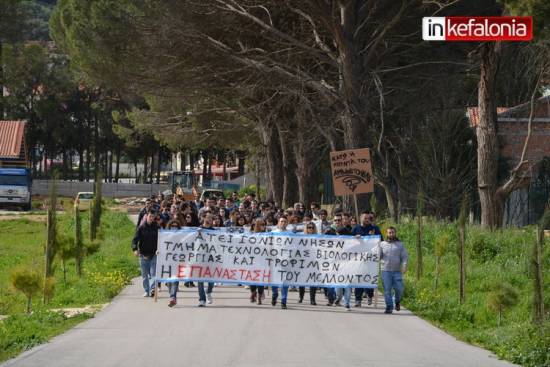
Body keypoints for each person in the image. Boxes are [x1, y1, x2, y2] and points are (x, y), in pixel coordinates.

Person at [352, 212, 382, 306]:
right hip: (359, 259)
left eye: (369, 218)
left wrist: (374, 239)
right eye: (365, 218)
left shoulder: (374, 228)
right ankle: (358, 299)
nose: (367, 220)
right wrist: (354, 238)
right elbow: (348, 241)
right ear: (361, 218)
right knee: (359, 279)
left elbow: (382, 241)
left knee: (369, 279)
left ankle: (369, 295)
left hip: (371, 258)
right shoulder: (356, 228)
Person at [131, 209, 160, 297]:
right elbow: (134, 240)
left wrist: (160, 249)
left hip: (154, 254)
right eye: (150, 216)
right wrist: (135, 249)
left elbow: (162, 239)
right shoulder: (141, 228)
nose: (151, 218)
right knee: (144, 275)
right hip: (143, 255)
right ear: (147, 216)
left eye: (153, 217)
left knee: (153, 274)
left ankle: (152, 290)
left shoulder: (157, 228)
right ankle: (146, 290)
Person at [379, 227, 408, 314]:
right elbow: (379, 256)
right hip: (385, 271)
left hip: (397, 271)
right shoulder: (382, 244)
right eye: (389, 233)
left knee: (399, 289)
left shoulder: (400, 244)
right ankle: (389, 307)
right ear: (386, 234)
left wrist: (404, 265)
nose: (391, 234)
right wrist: (377, 250)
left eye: (392, 232)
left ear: (395, 233)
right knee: (387, 290)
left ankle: (397, 301)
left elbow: (404, 256)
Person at [197, 214, 216, 307]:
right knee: (200, 280)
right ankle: (202, 299)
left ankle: (208, 292)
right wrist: (198, 233)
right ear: (203, 218)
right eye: (207, 217)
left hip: (211, 258)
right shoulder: (199, 229)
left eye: (210, 218)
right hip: (200, 258)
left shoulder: (214, 231)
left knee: (211, 280)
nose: (209, 219)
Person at [271, 216, 290, 308]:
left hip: (286, 261)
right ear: (278, 223)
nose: (283, 223)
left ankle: (284, 301)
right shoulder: (272, 233)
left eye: (284, 221)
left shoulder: (290, 234)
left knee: (284, 282)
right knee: (274, 281)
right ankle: (275, 294)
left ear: (287, 223)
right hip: (274, 261)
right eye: (281, 221)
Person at [299, 222, 318, 305]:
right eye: (309, 227)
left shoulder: (318, 238)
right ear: (306, 228)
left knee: (313, 281)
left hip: (314, 262)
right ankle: (301, 297)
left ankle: (312, 299)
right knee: (301, 281)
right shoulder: (301, 237)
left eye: (312, 227)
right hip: (303, 262)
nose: (311, 229)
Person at [249, 218, 267, 305]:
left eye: (264, 224)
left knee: (261, 280)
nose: (263, 226)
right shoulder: (252, 235)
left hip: (263, 261)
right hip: (253, 261)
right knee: (252, 279)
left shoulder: (268, 235)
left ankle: (259, 296)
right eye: (262, 224)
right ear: (257, 225)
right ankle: (253, 292)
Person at [166, 219, 182, 307]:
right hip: (167, 261)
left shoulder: (181, 236)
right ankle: (172, 296)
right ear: (169, 226)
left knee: (175, 280)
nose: (174, 228)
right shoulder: (165, 235)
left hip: (177, 261)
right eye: (172, 226)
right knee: (169, 281)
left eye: (176, 226)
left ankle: (173, 298)